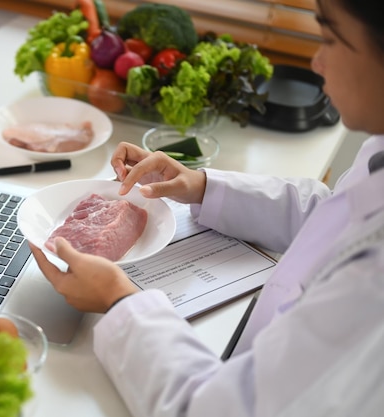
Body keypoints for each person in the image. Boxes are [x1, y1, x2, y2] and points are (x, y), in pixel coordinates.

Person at [28, 0, 384, 415]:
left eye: (329, 38)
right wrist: (202, 186)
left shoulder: (372, 286)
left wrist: (119, 300)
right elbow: (332, 214)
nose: (317, 61)